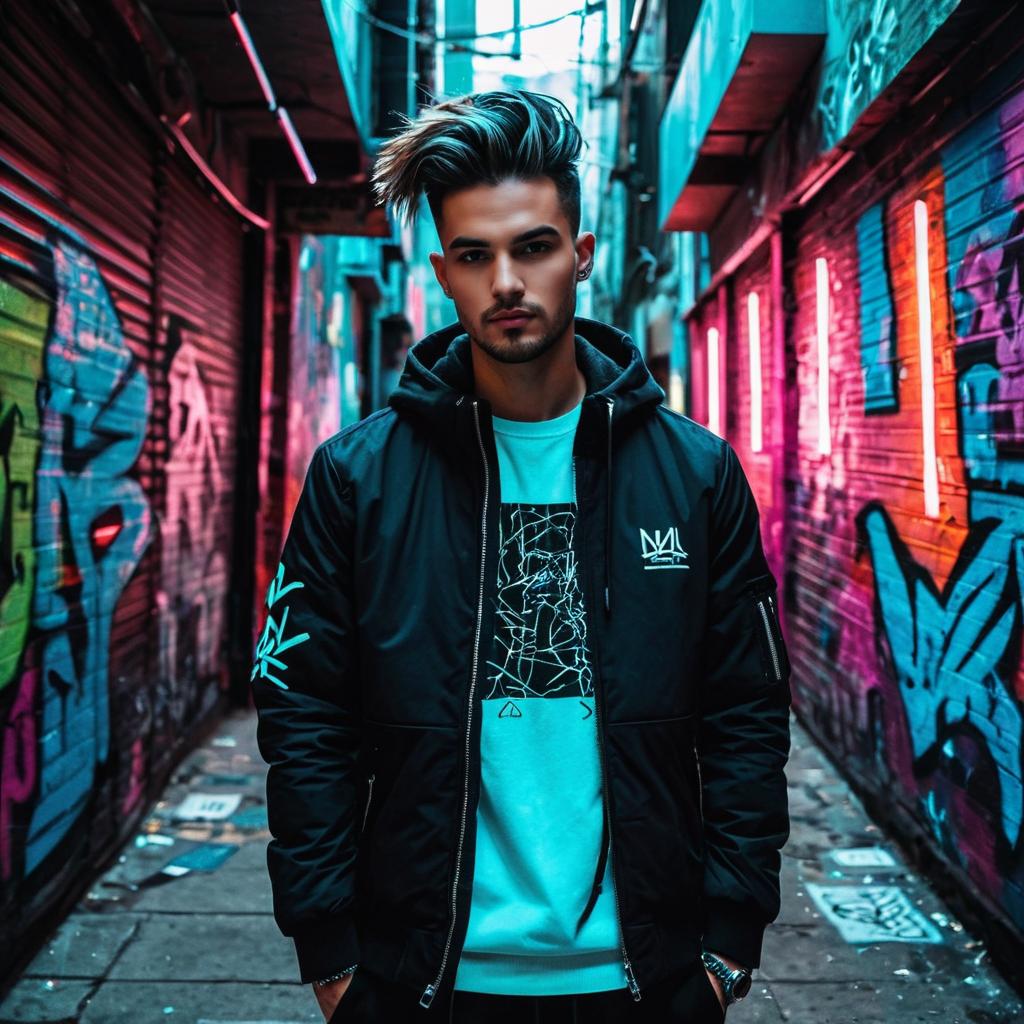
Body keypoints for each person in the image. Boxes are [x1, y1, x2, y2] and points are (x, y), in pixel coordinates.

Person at [251, 90, 792, 1023]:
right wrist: (331, 953)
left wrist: (726, 945)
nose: (507, 281)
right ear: (444, 274)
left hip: (645, 977)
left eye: (533, 247)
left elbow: (747, 713)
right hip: (422, 977)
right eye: (475, 255)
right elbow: (305, 718)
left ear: (582, 255)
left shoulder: (693, 475)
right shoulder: (358, 478)